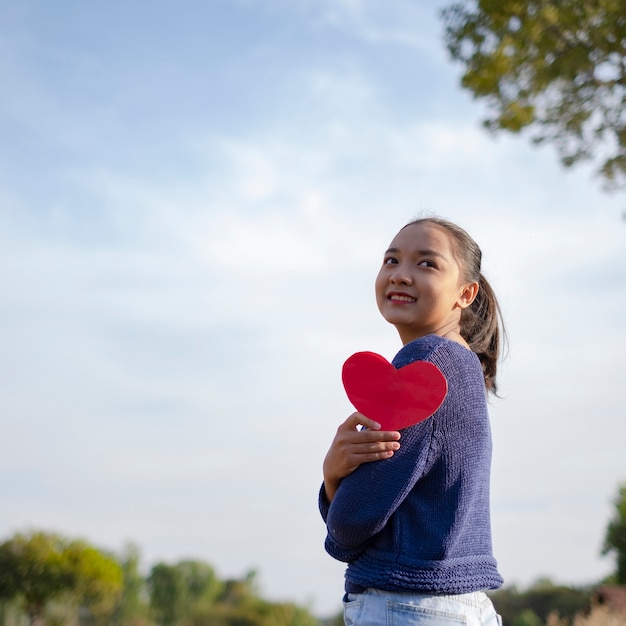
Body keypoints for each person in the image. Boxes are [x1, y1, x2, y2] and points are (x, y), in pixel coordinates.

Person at [319, 217, 505, 625]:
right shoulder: (460, 364)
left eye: (426, 264)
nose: (400, 275)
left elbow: (350, 524)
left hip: (409, 607)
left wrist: (332, 478)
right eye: (391, 260)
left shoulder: (428, 367)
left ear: (465, 293)